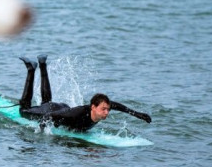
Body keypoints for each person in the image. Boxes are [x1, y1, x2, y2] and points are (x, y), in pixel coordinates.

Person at [18, 54, 152, 132]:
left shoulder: (99, 108)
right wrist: (42, 132)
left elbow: (119, 107)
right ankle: (31, 69)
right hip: (59, 112)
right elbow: (49, 115)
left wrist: (138, 114)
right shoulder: (78, 114)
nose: (107, 112)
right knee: (23, 111)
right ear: (93, 106)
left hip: (62, 108)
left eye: (108, 109)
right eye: (104, 109)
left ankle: (42, 65)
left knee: (46, 103)